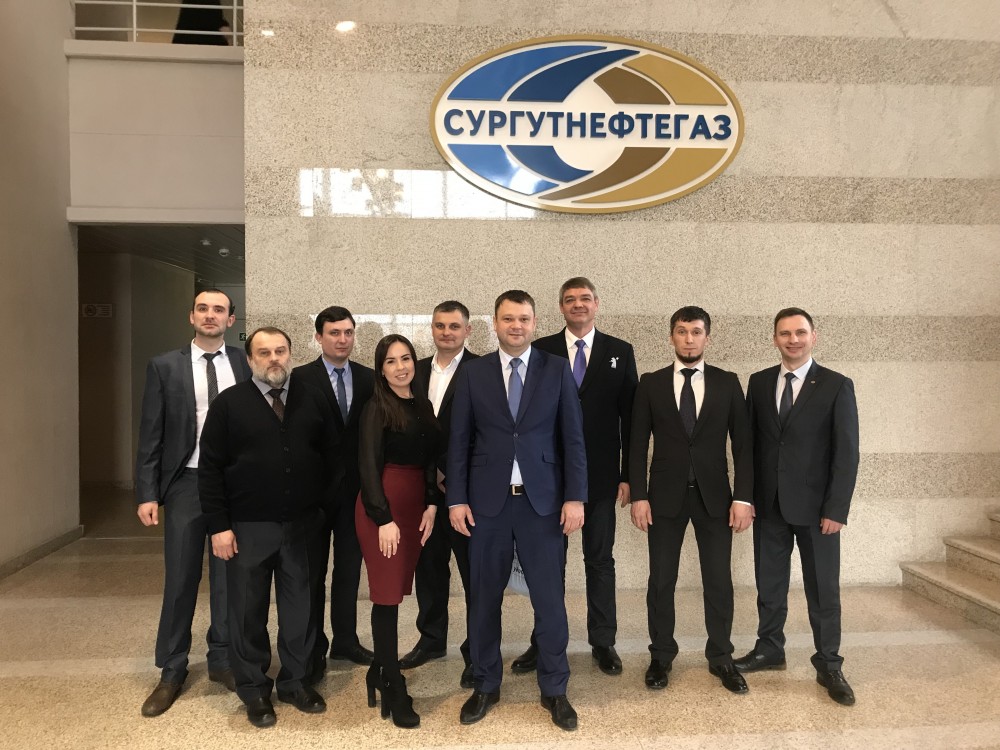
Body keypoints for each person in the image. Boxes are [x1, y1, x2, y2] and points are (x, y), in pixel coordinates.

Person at [448, 290, 588, 731]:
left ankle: (555, 688)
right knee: (483, 600)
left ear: (534, 322)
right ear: (494, 323)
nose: (516, 326)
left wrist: (575, 497)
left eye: (524, 319)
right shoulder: (473, 373)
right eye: (508, 318)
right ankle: (486, 684)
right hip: (486, 506)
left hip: (542, 504)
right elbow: (458, 440)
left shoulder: (556, 369)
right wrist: (456, 498)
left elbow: (573, 438)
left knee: (550, 602)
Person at [199, 327, 338, 728]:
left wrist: (322, 511)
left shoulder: (312, 398)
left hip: (302, 527)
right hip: (247, 528)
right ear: (250, 359)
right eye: (264, 352)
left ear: (290, 354)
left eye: (280, 351)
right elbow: (210, 469)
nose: (274, 358)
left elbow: (333, 457)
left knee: (301, 611)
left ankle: (295, 683)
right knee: (247, 612)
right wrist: (219, 526)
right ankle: (254, 690)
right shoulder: (229, 404)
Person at [734, 308, 860, 706]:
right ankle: (770, 648)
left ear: (813, 336)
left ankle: (829, 663)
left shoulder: (836, 385)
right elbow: (748, 447)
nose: (793, 340)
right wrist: (745, 497)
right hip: (769, 505)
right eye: (785, 333)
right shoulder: (758, 382)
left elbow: (847, 453)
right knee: (769, 584)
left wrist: (836, 509)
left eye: (800, 332)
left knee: (823, 589)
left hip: (818, 510)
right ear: (774, 338)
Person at [135, 289, 250, 717]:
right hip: (186, 482)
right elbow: (151, 431)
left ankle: (223, 659)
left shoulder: (245, 362)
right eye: (203, 308)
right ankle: (172, 669)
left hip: (234, 484)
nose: (210, 315)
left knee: (229, 578)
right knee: (181, 577)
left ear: (231, 319)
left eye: (219, 309)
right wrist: (147, 492)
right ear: (192, 316)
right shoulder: (165, 366)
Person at [629, 306, 753, 695]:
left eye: (696, 332)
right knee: (661, 580)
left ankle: (721, 657)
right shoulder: (650, 383)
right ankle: (661, 656)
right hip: (663, 498)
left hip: (715, 498)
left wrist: (743, 497)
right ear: (671, 336)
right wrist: (639, 495)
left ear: (707, 338)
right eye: (681, 331)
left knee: (718, 580)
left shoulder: (728, 383)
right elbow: (636, 444)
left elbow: (744, 446)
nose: (688, 338)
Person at [523, 277, 638, 676]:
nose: (578, 304)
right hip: (549, 477)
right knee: (547, 564)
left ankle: (603, 641)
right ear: (560, 306)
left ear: (597, 304)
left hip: (602, 477)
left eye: (585, 298)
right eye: (570, 299)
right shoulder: (541, 350)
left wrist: (629, 475)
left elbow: (631, 419)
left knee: (600, 560)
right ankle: (544, 640)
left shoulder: (620, 351)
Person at [356, 334, 441, 728]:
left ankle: (379, 668)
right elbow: (368, 467)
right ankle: (392, 681)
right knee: (387, 597)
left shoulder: (422, 404)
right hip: (384, 508)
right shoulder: (377, 407)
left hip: (414, 507)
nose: (400, 367)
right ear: (380, 369)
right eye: (390, 361)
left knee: (398, 591)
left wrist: (432, 504)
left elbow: (430, 461)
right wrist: (383, 519)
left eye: (405, 358)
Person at [399, 302, 479, 689]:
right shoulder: (414, 372)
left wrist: (452, 471)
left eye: (454, 326)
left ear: (468, 330)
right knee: (429, 569)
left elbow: (488, 431)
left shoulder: (483, 370)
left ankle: (477, 649)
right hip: (425, 493)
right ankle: (431, 639)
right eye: (440, 325)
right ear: (431, 329)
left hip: (469, 494)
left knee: (475, 575)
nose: (447, 332)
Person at [292, 306, 375, 675]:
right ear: (318, 337)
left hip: (355, 493)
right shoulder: (299, 378)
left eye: (348, 333)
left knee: (348, 571)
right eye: (334, 333)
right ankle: (312, 647)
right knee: (311, 574)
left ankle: (346, 641)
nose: (342, 340)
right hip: (312, 494)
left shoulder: (369, 378)